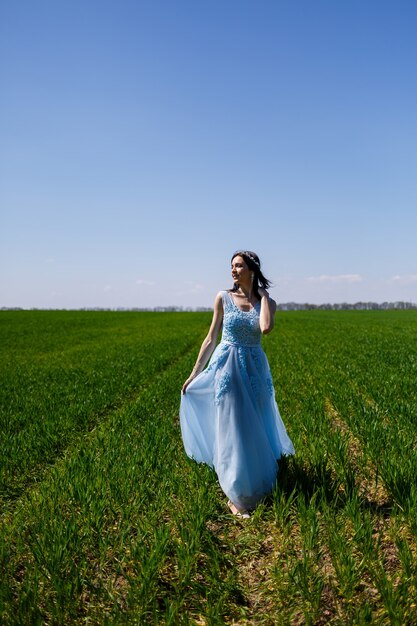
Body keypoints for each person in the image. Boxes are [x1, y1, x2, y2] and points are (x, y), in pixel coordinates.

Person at [180, 251, 295, 518]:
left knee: (255, 423)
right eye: (232, 266)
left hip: (254, 368)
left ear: (252, 270)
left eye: (239, 266)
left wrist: (264, 297)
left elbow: (265, 328)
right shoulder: (222, 297)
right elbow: (210, 339)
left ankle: (254, 481)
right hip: (227, 368)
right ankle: (237, 494)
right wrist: (194, 373)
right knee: (234, 425)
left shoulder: (267, 302)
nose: (233, 270)